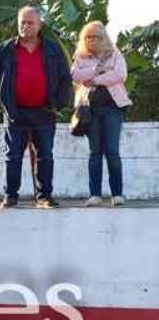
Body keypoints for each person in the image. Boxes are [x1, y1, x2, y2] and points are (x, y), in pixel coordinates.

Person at [0, 5, 71, 209]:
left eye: (30, 22)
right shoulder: (4, 50)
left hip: (44, 112)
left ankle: (44, 197)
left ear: (40, 25)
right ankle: (11, 196)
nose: (25, 26)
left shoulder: (52, 49)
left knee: (45, 156)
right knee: (12, 156)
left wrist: (58, 104)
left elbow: (64, 78)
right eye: (22, 22)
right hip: (15, 113)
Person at [71, 21, 132, 207]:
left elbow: (120, 75)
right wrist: (96, 69)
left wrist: (94, 79)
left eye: (95, 36)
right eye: (88, 37)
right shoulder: (80, 57)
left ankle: (117, 194)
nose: (91, 40)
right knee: (94, 153)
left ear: (103, 37)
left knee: (112, 152)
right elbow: (74, 75)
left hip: (113, 109)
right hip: (90, 111)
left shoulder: (114, 54)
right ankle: (95, 195)